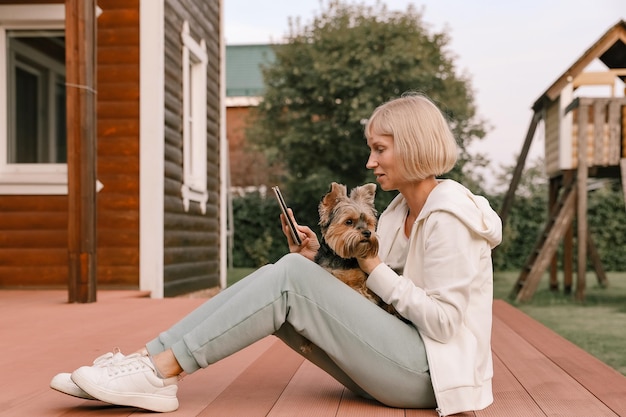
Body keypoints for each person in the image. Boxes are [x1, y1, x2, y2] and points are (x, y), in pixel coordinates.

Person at [50, 93, 502, 416]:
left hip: (432, 377)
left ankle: (161, 372)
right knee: (289, 270)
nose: (370, 162)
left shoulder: (450, 216)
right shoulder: (397, 211)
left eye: (379, 149)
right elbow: (377, 298)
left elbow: (443, 322)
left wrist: (371, 265)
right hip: (400, 357)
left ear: (415, 146)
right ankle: (148, 362)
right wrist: (314, 265)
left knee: (288, 277)